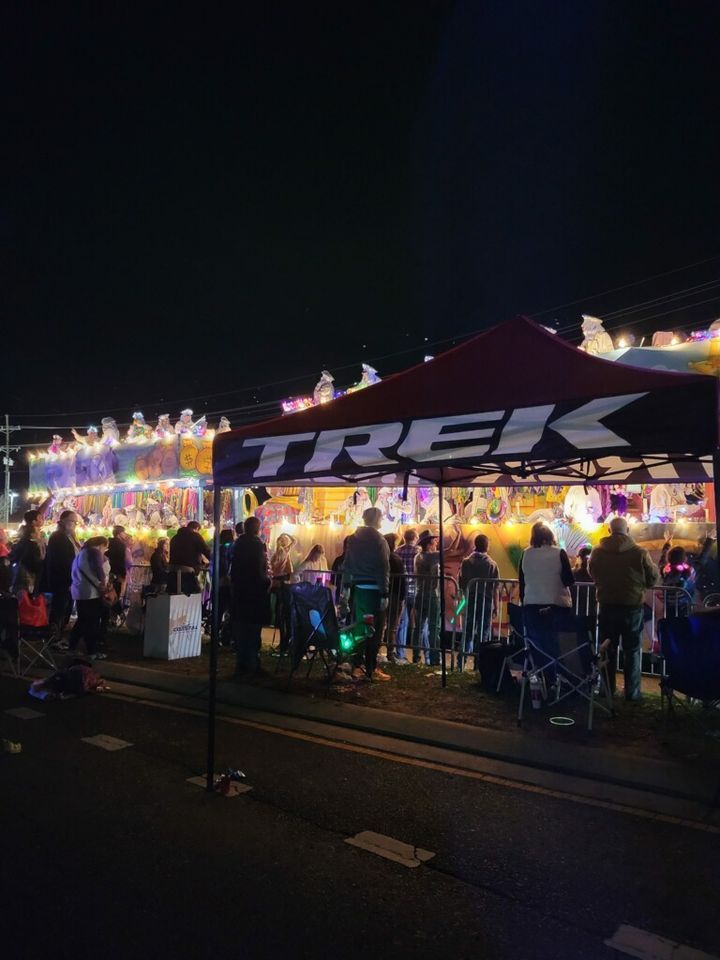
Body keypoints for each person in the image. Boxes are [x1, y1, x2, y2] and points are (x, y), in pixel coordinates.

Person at [589, 517, 659, 701]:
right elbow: (652, 578)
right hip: (632, 606)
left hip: (606, 606)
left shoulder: (597, 552)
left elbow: (592, 573)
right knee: (633, 650)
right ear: (627, 530)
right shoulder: (639, 552)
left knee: (606, 649)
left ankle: (606, 689)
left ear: (609, 531)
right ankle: (632, 692)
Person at [518, 522, 575, 684]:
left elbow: (522, 581)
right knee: (557, 644)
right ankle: (560, 678)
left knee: (537, 645)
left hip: (532, 605)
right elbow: (569, 580)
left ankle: (543, 678)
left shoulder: (526, 554)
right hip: (557, 605)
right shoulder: (559, 553)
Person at [342, 507, 391, 681]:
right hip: (375, 590)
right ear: (376, 519)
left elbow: (347, 564)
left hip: (359, 589)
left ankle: (356, 665)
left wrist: (346, 587)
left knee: (360, 628)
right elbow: (383, 568)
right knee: (375, 630)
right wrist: (385, 592)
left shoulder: (353, 539)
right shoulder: (380, 540)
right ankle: (371, 668)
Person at [230, 515, 271, 676]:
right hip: (253, 593)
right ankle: (252, 663)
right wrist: (266, 582)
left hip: (239, 591)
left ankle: (241, 663)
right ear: (256, 528)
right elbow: (258, 570)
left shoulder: (237, 544)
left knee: (241, 629)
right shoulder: (256, 545)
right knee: (253, 630)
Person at [459, 534, 499, 666]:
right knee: (483, 632)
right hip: (486, 601)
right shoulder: (492, 564)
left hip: (470, 599)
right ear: (487, 546)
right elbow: (495, 588)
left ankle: (461, 661)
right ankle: (479, 663)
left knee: (468, 630)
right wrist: (496, 606)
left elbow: (461, 582)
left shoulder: (466, 562)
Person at [68, 536, 111, 660]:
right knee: (91, 623)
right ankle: (92, 651)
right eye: (105, 547)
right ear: (101, 545)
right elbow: (98, 569)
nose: (105, 550)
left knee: (82, 621)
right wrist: (103, 583)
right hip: (91, 593)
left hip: (80, 592)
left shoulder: (81, 553)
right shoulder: (94, 552)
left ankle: (72, 647)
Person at [43, 510, 80, 638]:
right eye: (72, 521)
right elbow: (61, 561)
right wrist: (68, 581)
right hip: (62, 580)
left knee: (66, 608)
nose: (74, 524)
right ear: (63, 521)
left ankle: (59, 634)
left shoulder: (71, 537)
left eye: (76, 522)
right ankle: (54, 636)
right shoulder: (58, 536)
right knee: (60, 608)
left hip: (70, 579)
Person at [414, 530, 441, 667]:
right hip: (431, 594)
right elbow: (445, 552)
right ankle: (435, 658)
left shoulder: (418, 557)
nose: (436, 544)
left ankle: (415, 656)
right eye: (434, 541)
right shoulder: (431, 557)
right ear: (429, 544)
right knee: (433, 628)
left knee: (418, 628)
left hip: (419, 593)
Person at [395, 528, 420, 661]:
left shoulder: (397, 552)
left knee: (402, 622)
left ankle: (400, 653)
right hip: (415, 590)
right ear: (415, 538)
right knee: (418, 623)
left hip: (401, 590)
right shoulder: (418, 551)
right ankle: (418, 654)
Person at [382, 533, 406, 665]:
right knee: (392, 626)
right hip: (395, 594)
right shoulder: (396, 559)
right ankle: (390, 653)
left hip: (383, 593)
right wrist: (403, 596)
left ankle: (376, 650)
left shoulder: (381, 558)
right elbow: (402, 580)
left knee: (381, 624)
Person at [10, 509, 47, 594]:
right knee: (28, 598)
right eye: (40, 518)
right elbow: (30, 558)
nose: (42, 519)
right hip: (29, 574)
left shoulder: (36, 536)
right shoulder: (30, 538)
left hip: (32, 572)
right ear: (34, 522)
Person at [168, 520, 211, 593]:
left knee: (174, 595)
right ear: (196, 529)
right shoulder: (195, 536)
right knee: (193, 594)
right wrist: (212, 560)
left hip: (172, 571)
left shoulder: (175, 538)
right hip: (188, 570)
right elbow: (205, 550)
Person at [660, 545, 696, 617]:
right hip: (684, 605)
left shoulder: (665, 570)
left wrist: (667, 544)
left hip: (669, 606)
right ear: (684, 558)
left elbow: (662, 561)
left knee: (671, 623)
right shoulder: (689, 571)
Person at [106, 525, 133, 615]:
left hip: (110, 572)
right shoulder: (121, 545)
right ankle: (114, 616)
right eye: (123, 532)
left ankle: (110, 616)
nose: (125, 535)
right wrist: (123, 574)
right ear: (119, 534)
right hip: (118, 573)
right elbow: (123, 561)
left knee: (109, 594)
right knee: (115, 594)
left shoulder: (110, 543)